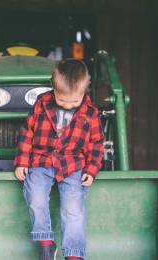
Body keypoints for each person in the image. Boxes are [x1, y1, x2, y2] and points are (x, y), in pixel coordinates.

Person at [14, 59, 105, 260]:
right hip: (42, 161)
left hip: (72, 165)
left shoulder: (91, 113)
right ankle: (46, 243)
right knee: (35, 197)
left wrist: (91, 170)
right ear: (53, 88)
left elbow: (96, 144)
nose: (68, 105)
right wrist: (22, 161)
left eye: (74, 101)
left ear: (84, 92)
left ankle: (73, 254)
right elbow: (27, 132)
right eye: (63, 100)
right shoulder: (42, 103)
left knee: (73, 210)